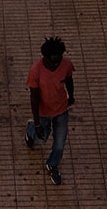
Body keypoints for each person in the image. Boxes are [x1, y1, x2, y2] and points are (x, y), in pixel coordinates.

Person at [24, 36, 75, 186]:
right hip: (43, 111)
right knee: (41, 138)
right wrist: (38, 123)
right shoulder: (35, 71)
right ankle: (31, 129)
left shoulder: (65, 65)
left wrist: (71, 96)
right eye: (53, 61)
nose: (56, 64)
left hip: (61, 109)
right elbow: (34, 98)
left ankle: (52, 165)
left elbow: (69, 79)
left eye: (58, 60)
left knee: (60, 142)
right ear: (45, 57)